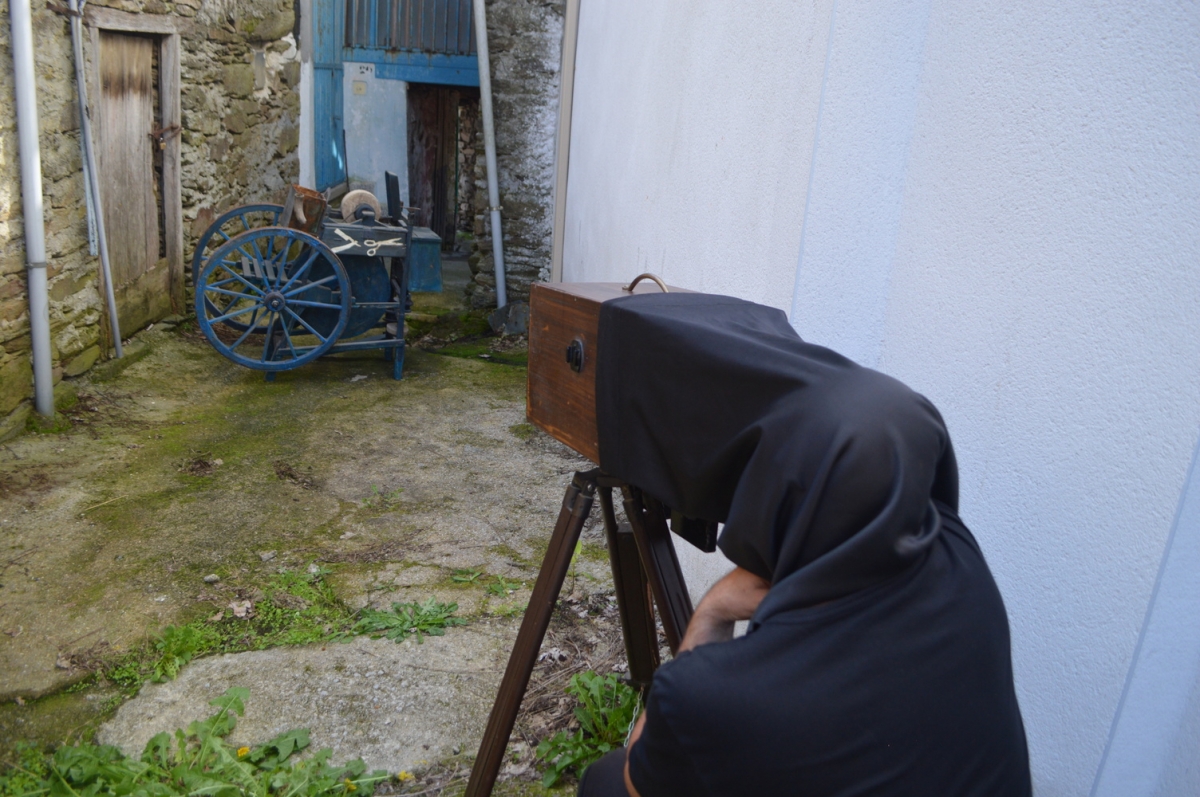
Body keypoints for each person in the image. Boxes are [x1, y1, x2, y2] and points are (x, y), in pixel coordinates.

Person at [574, 292, 1031, 796]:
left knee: (605, 782)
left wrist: (713, 611)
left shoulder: (711, 696)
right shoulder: (965, 572)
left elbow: (642, 781)